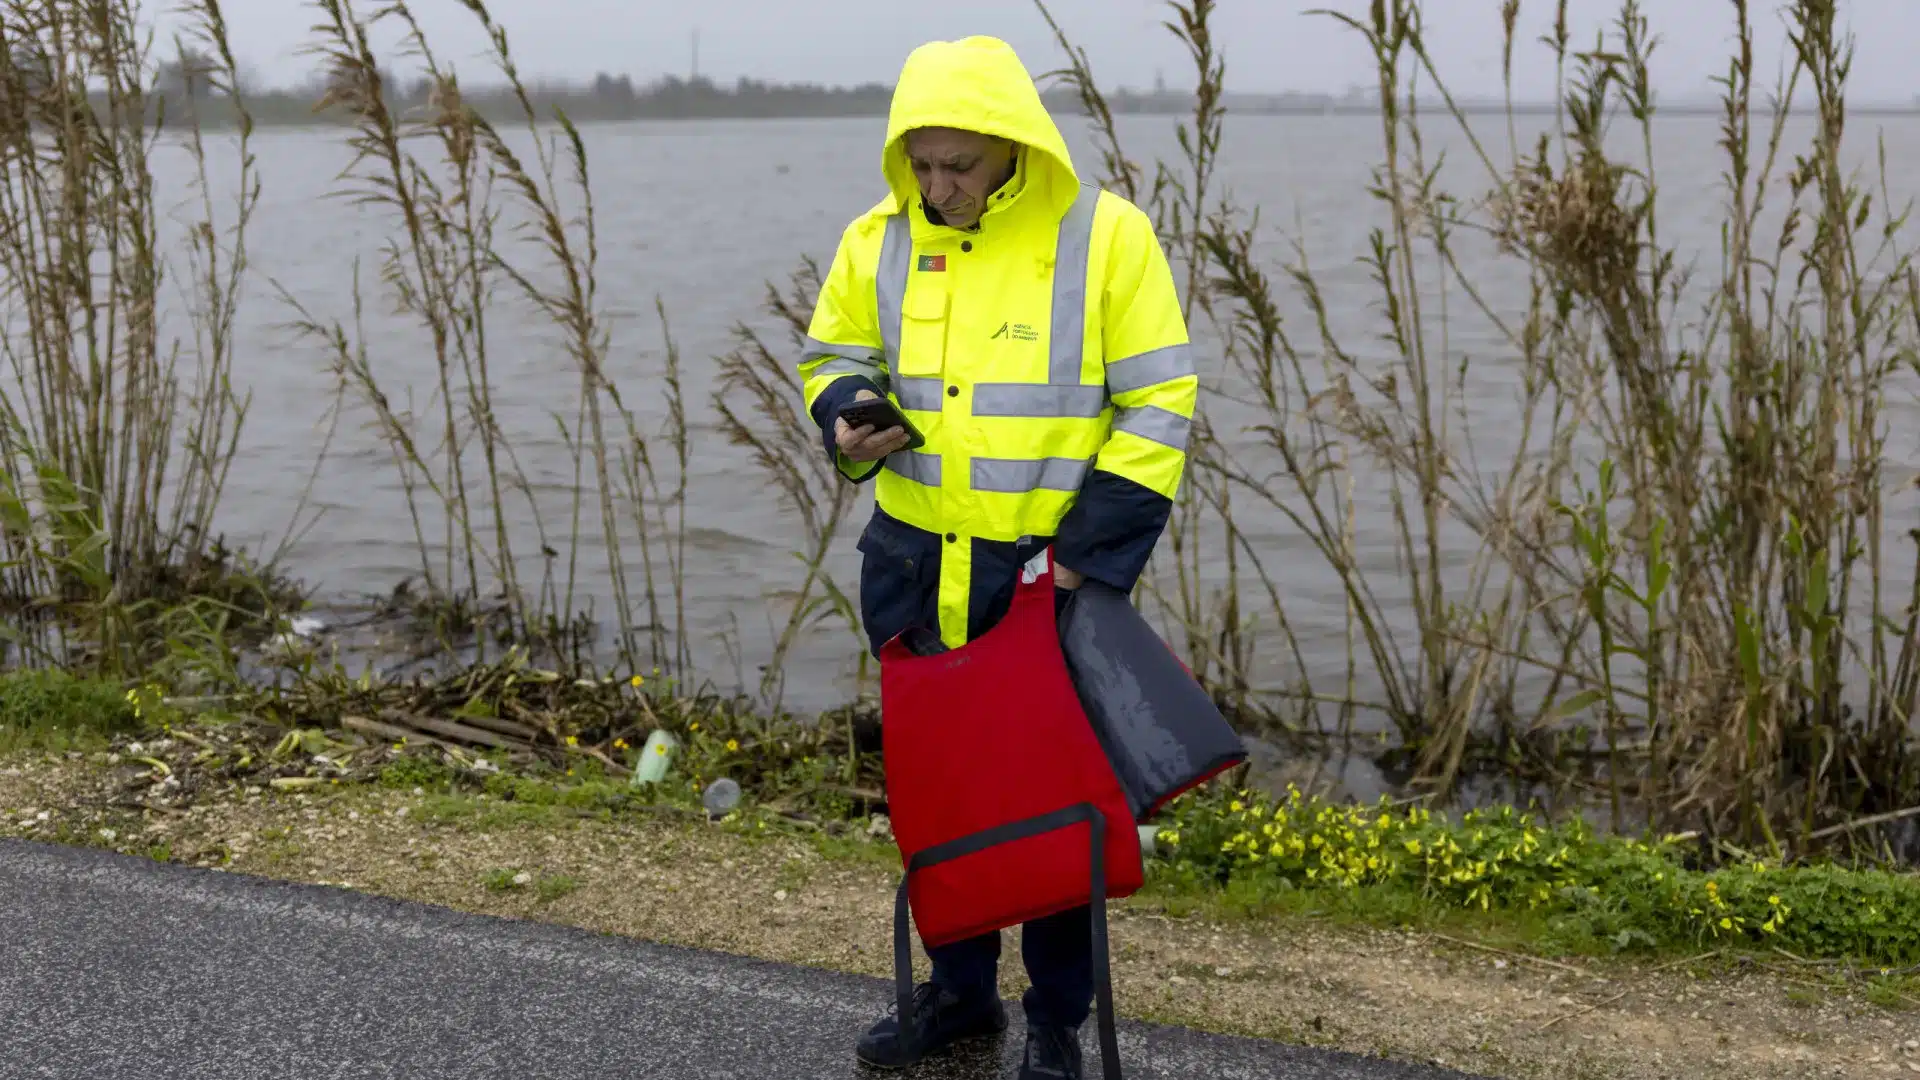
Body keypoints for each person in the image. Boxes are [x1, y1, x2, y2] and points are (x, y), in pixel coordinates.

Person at [797, 34, 1196, 1080]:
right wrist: (847, 414)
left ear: (1014, 148)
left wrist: (1087, 556)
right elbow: (832, 353)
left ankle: (1058, 1022)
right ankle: (961, 994)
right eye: (921, 165)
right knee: (942, 797)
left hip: (1046, 578)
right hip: (916, 565)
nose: (939, 187)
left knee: (1054, 811)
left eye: (959, 168)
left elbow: (1159, 404)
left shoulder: (1107, 238)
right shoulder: (876, 239)